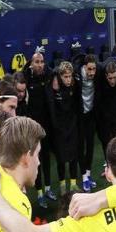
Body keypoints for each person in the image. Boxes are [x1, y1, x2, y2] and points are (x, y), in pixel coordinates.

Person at [23, 51, 56, 203]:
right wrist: (28, 67)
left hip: (47, 124)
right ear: (31, 64)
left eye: (42, 62)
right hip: (32, 127)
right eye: (36, 62)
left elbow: (53, 71)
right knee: (35, 159)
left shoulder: (47, 75)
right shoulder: (27, 78)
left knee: (46, 157)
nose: (40, 65)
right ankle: (40, 192)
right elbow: (21, 74)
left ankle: (48, 188)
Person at [47, 62, 80, 194]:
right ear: (60, 76)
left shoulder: (74, 86)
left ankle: (73, 184)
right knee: (60, 158)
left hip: (72, 126)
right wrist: (55, 78)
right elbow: (50, 70)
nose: (68, 79)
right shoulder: (54, 87)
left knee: (73, 155)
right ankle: (62, 186)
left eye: (69, 76)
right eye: (65, 77)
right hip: (59, 129)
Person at [76, 54, 98, 192]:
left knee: (90, 145)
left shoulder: (97, 74)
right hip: (79, 116)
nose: (92, 72)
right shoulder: (76, 75)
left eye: (94, 69)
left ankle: (88, 175)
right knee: (81, 146)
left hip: (91, 115)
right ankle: (84, 176)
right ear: (84, 67)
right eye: (89, 69)